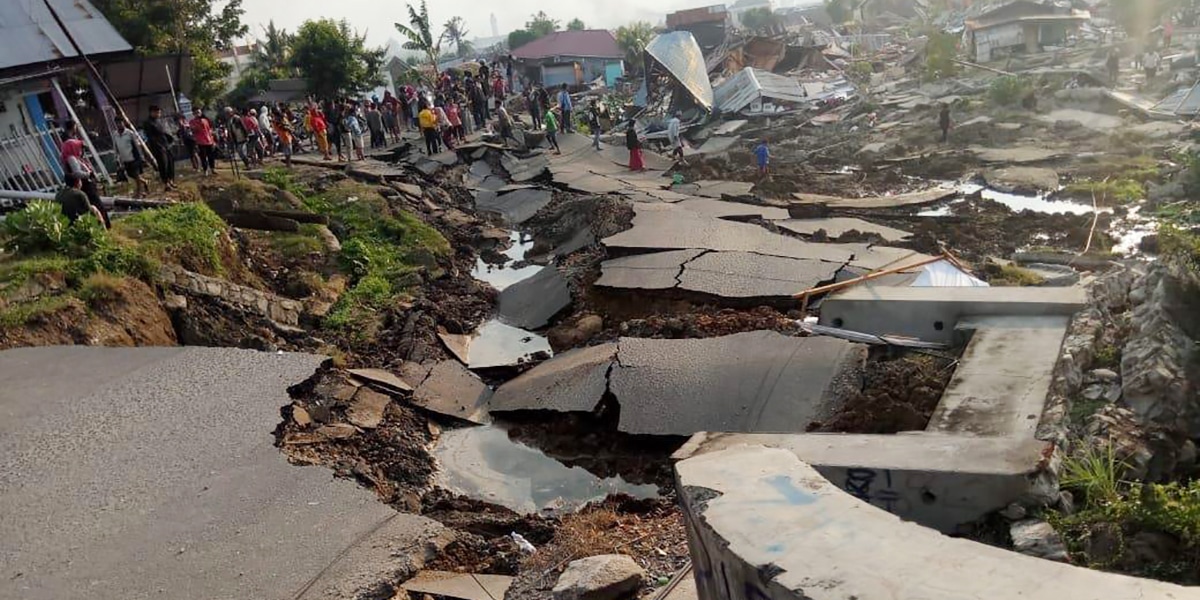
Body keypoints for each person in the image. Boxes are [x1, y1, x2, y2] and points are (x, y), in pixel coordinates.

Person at [58, 125, 110, 228]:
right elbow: (77, 172)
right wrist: (89, 174)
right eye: (80, 148)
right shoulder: (72, 158)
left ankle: (101, 225)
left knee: (94, 204)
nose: (81, 151)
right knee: (96, 204)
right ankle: (103, 225)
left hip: (85, 183)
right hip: (84, 184)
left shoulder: (74, 157)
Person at [113, 119, 150, 197]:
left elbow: (137, 145)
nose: (119, 125)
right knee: (131, 175)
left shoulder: (130, 133)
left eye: (120, 123)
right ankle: (145, 181)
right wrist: (116, 158)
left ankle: (138, 194)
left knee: (136, 176)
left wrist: (141, 157)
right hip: (124, 159)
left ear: (123, 123)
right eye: (117, 123)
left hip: (133, 158)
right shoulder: (115, 134)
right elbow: (115, 147)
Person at [143, 105, 176, 190]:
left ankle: (171, 180)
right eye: (157, 112)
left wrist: (170, 138)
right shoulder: (148, 123)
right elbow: (150, 137)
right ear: (152, 112)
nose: (159, 114)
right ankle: (166, 183)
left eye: (159, 112)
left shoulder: (160, 121)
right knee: (163, 165)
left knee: (170, 163)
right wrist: (159, 146)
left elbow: (164, 132)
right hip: (158, 147)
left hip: (166, 144)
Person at [190, 107, 217, 175]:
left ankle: (212, 169)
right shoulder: (192, 122)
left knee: (211, 156)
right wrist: (198, 123)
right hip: (200, 142)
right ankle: (205, 170)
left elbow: (209, 131)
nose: (198, 114)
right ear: (193, 114)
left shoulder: (205, 120)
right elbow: (194, 130)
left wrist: (213, 140)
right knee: (203, 157)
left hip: (209, 140)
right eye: (196, 113)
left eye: (199, 112)